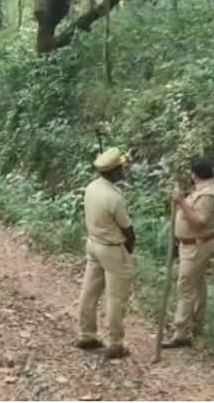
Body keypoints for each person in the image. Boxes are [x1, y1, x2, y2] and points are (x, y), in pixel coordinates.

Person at [76, 147, 135, 359]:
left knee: (89, 291)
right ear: (113, 171)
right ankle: (116, 343)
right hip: (111, 248)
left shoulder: (91, 187)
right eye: (121, 168)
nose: (124, 170)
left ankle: (86, 334)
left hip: (93, 244)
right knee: (116, 297)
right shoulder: (114, 197)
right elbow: (128, 229)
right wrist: (128, 250)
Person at [163, 157, 214, 349]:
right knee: (196, 285)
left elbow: (199, 222)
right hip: (190, 245)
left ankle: (181, 332)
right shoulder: (201, 192)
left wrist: (181, 201)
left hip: (196, 246)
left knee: (186, 286)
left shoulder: (207, 195)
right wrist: (185, 197)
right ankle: (196, 322)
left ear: (194, 175)